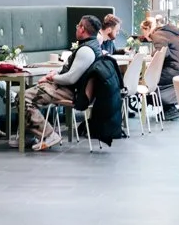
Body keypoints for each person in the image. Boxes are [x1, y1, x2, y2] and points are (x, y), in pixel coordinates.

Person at [26, 15, 123, 145]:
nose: (76, 28)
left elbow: (71, 78)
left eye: (78, 26)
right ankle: (28, 136)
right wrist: (55, 74)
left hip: (70, 91)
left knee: (24, 98)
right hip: (70, 88)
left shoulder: (86, 51)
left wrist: (51, 77)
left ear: (82, 29)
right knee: (26, 96)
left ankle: (48, 135)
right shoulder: (93, 46)